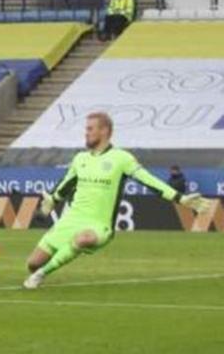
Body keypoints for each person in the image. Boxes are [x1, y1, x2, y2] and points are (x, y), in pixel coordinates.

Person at [23, 112, 214, 289]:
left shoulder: (121, 158)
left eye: (90, 129)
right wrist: (52, 200)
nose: (86, 133)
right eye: (86, 129)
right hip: (71, 219)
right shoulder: (80, 158)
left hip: (98, 224)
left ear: (104, 131)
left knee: (83, 239)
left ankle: (41, 274)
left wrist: (179, 198)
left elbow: (149, 180)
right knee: (32, 263)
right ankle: (38, 270)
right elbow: (65, 184)